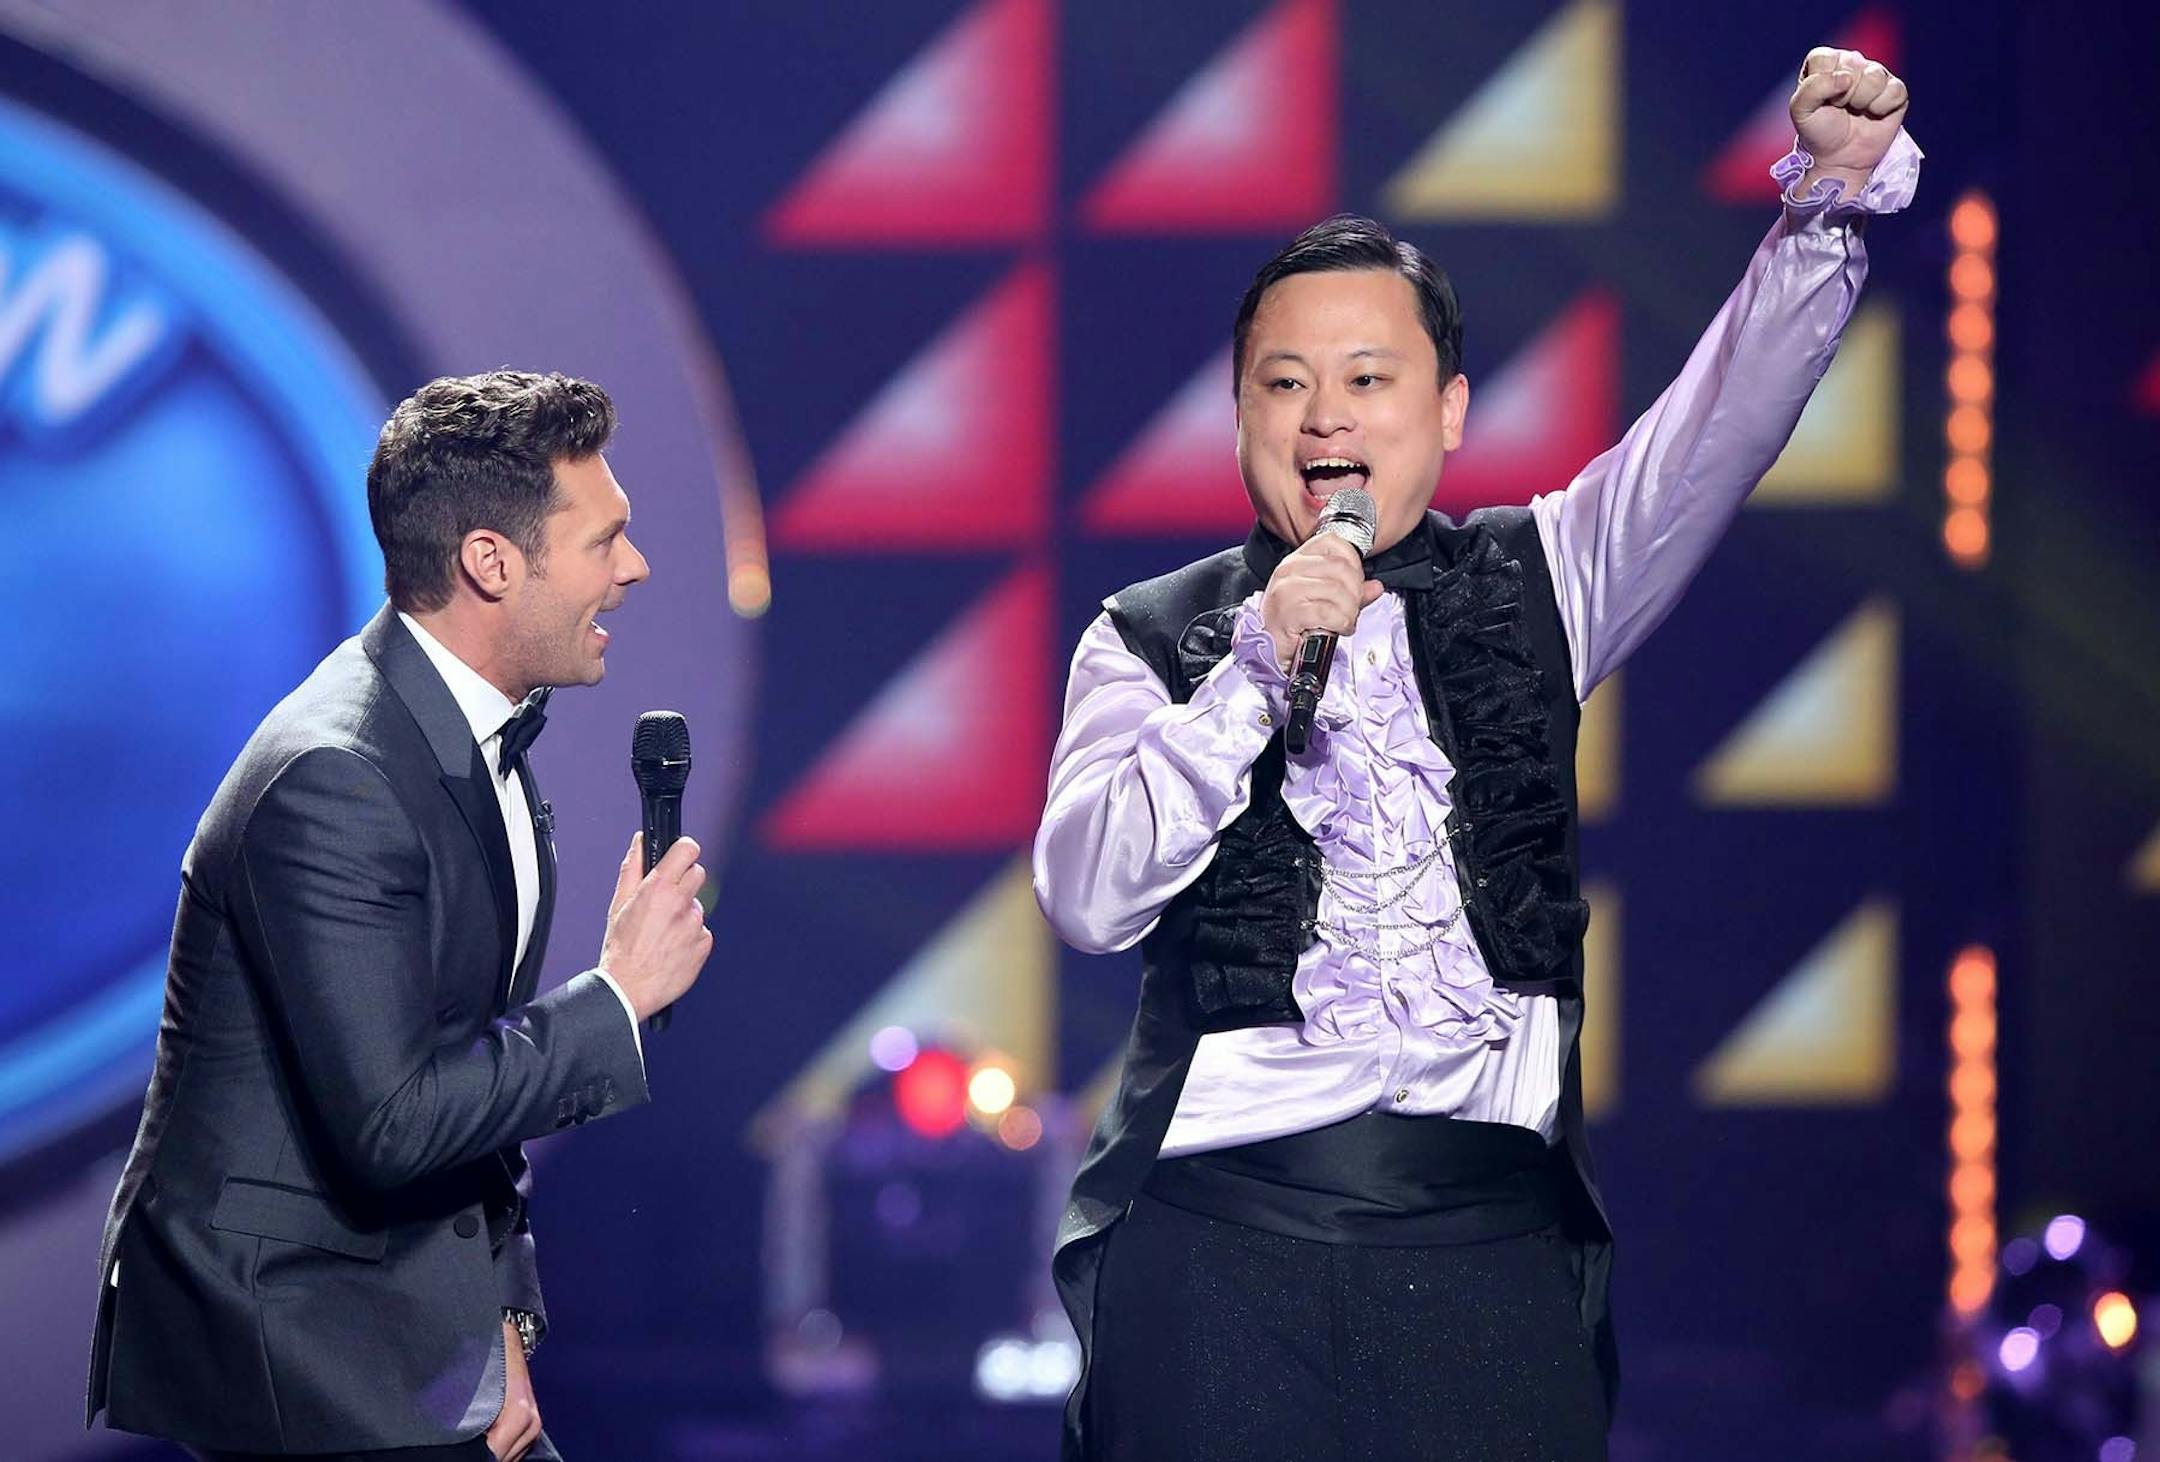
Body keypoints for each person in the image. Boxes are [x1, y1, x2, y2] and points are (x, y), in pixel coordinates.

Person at [1034, 47, 1919, 1462]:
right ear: (1241, 416)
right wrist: (1255, 665)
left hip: (1486, 1259)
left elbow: (1717, 432)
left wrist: (1823, 206)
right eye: (1285, 383)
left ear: (1448, 409)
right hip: (1220, 1257)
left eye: (1368, 378)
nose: (1326, 417)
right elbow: (1087, 896)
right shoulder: (1148, 636)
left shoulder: (1546, 573)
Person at [85, 370, 713, 1460]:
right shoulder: (338, 775)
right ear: (491, 562)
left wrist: (498, 1315)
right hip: (300, 1344)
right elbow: (395, 1122)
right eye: (605, 540)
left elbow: (462, 1071)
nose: (635, 567)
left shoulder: (462, 735)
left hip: (407, 1318)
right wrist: (615, 996)